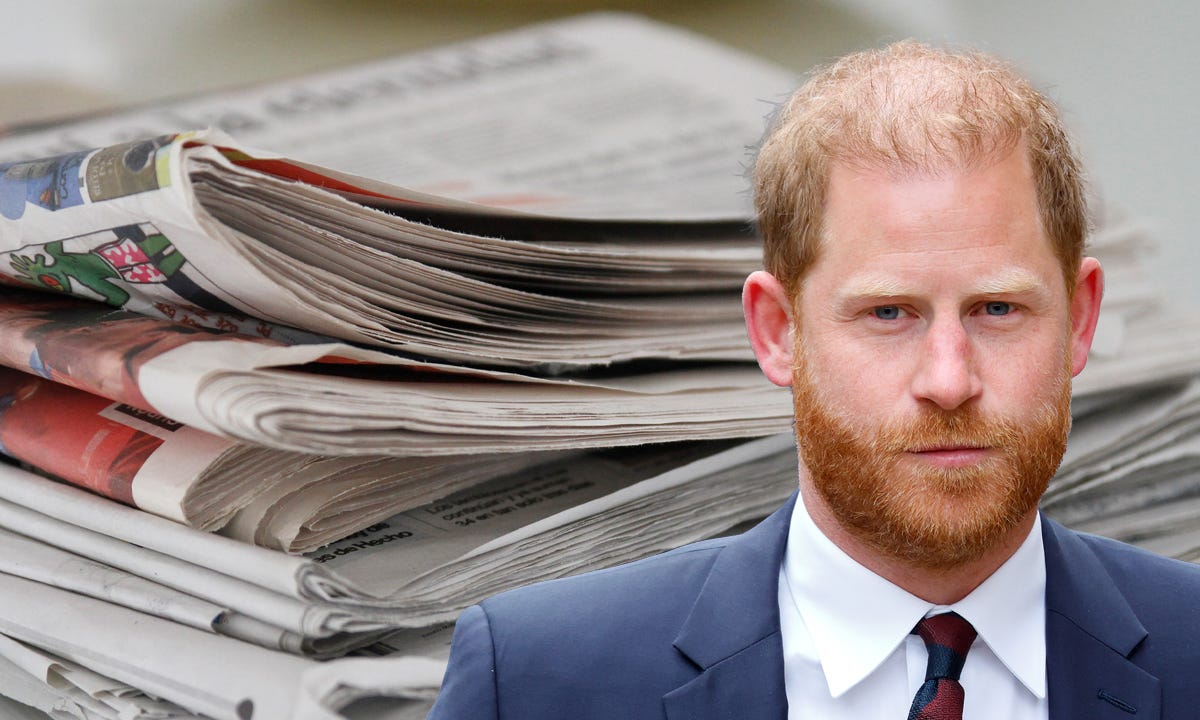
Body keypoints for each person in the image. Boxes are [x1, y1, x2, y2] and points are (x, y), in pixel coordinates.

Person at [427, 41, 1200, 719]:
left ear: (1081, 320)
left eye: (998, 308)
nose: (948, 379)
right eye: (888, 313)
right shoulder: (534, 681)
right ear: (778, 332)